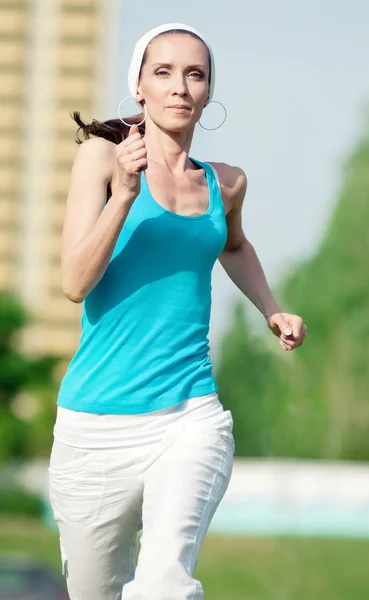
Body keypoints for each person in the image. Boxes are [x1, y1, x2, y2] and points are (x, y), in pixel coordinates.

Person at [48, 22, 307, 600]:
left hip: (189, 414)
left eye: (195, 74)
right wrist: (123, 196)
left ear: (208, 92)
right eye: (163, 72)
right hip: (95, 425)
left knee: (165, 582)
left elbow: (234, 246)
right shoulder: (100, 158)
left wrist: (271, 308)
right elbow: (73, 283)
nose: (179, 87)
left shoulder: (227, 184)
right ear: (138, 85)